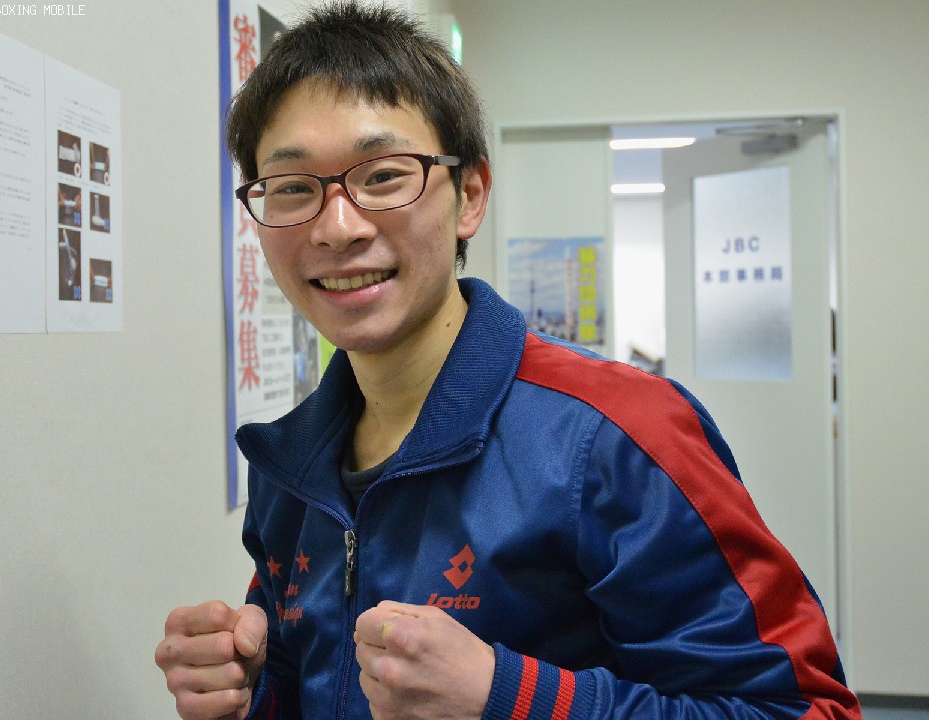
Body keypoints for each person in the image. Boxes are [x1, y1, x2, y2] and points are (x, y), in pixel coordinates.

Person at [155, 3, 862, 719]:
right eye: (292, 188)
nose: (337, 228)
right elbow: (313, 680)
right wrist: (249, 693)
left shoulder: (618, 436)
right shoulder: (290, 465)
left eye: (384, 176)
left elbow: (803, 710)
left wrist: (508, 697)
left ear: (470, 196)